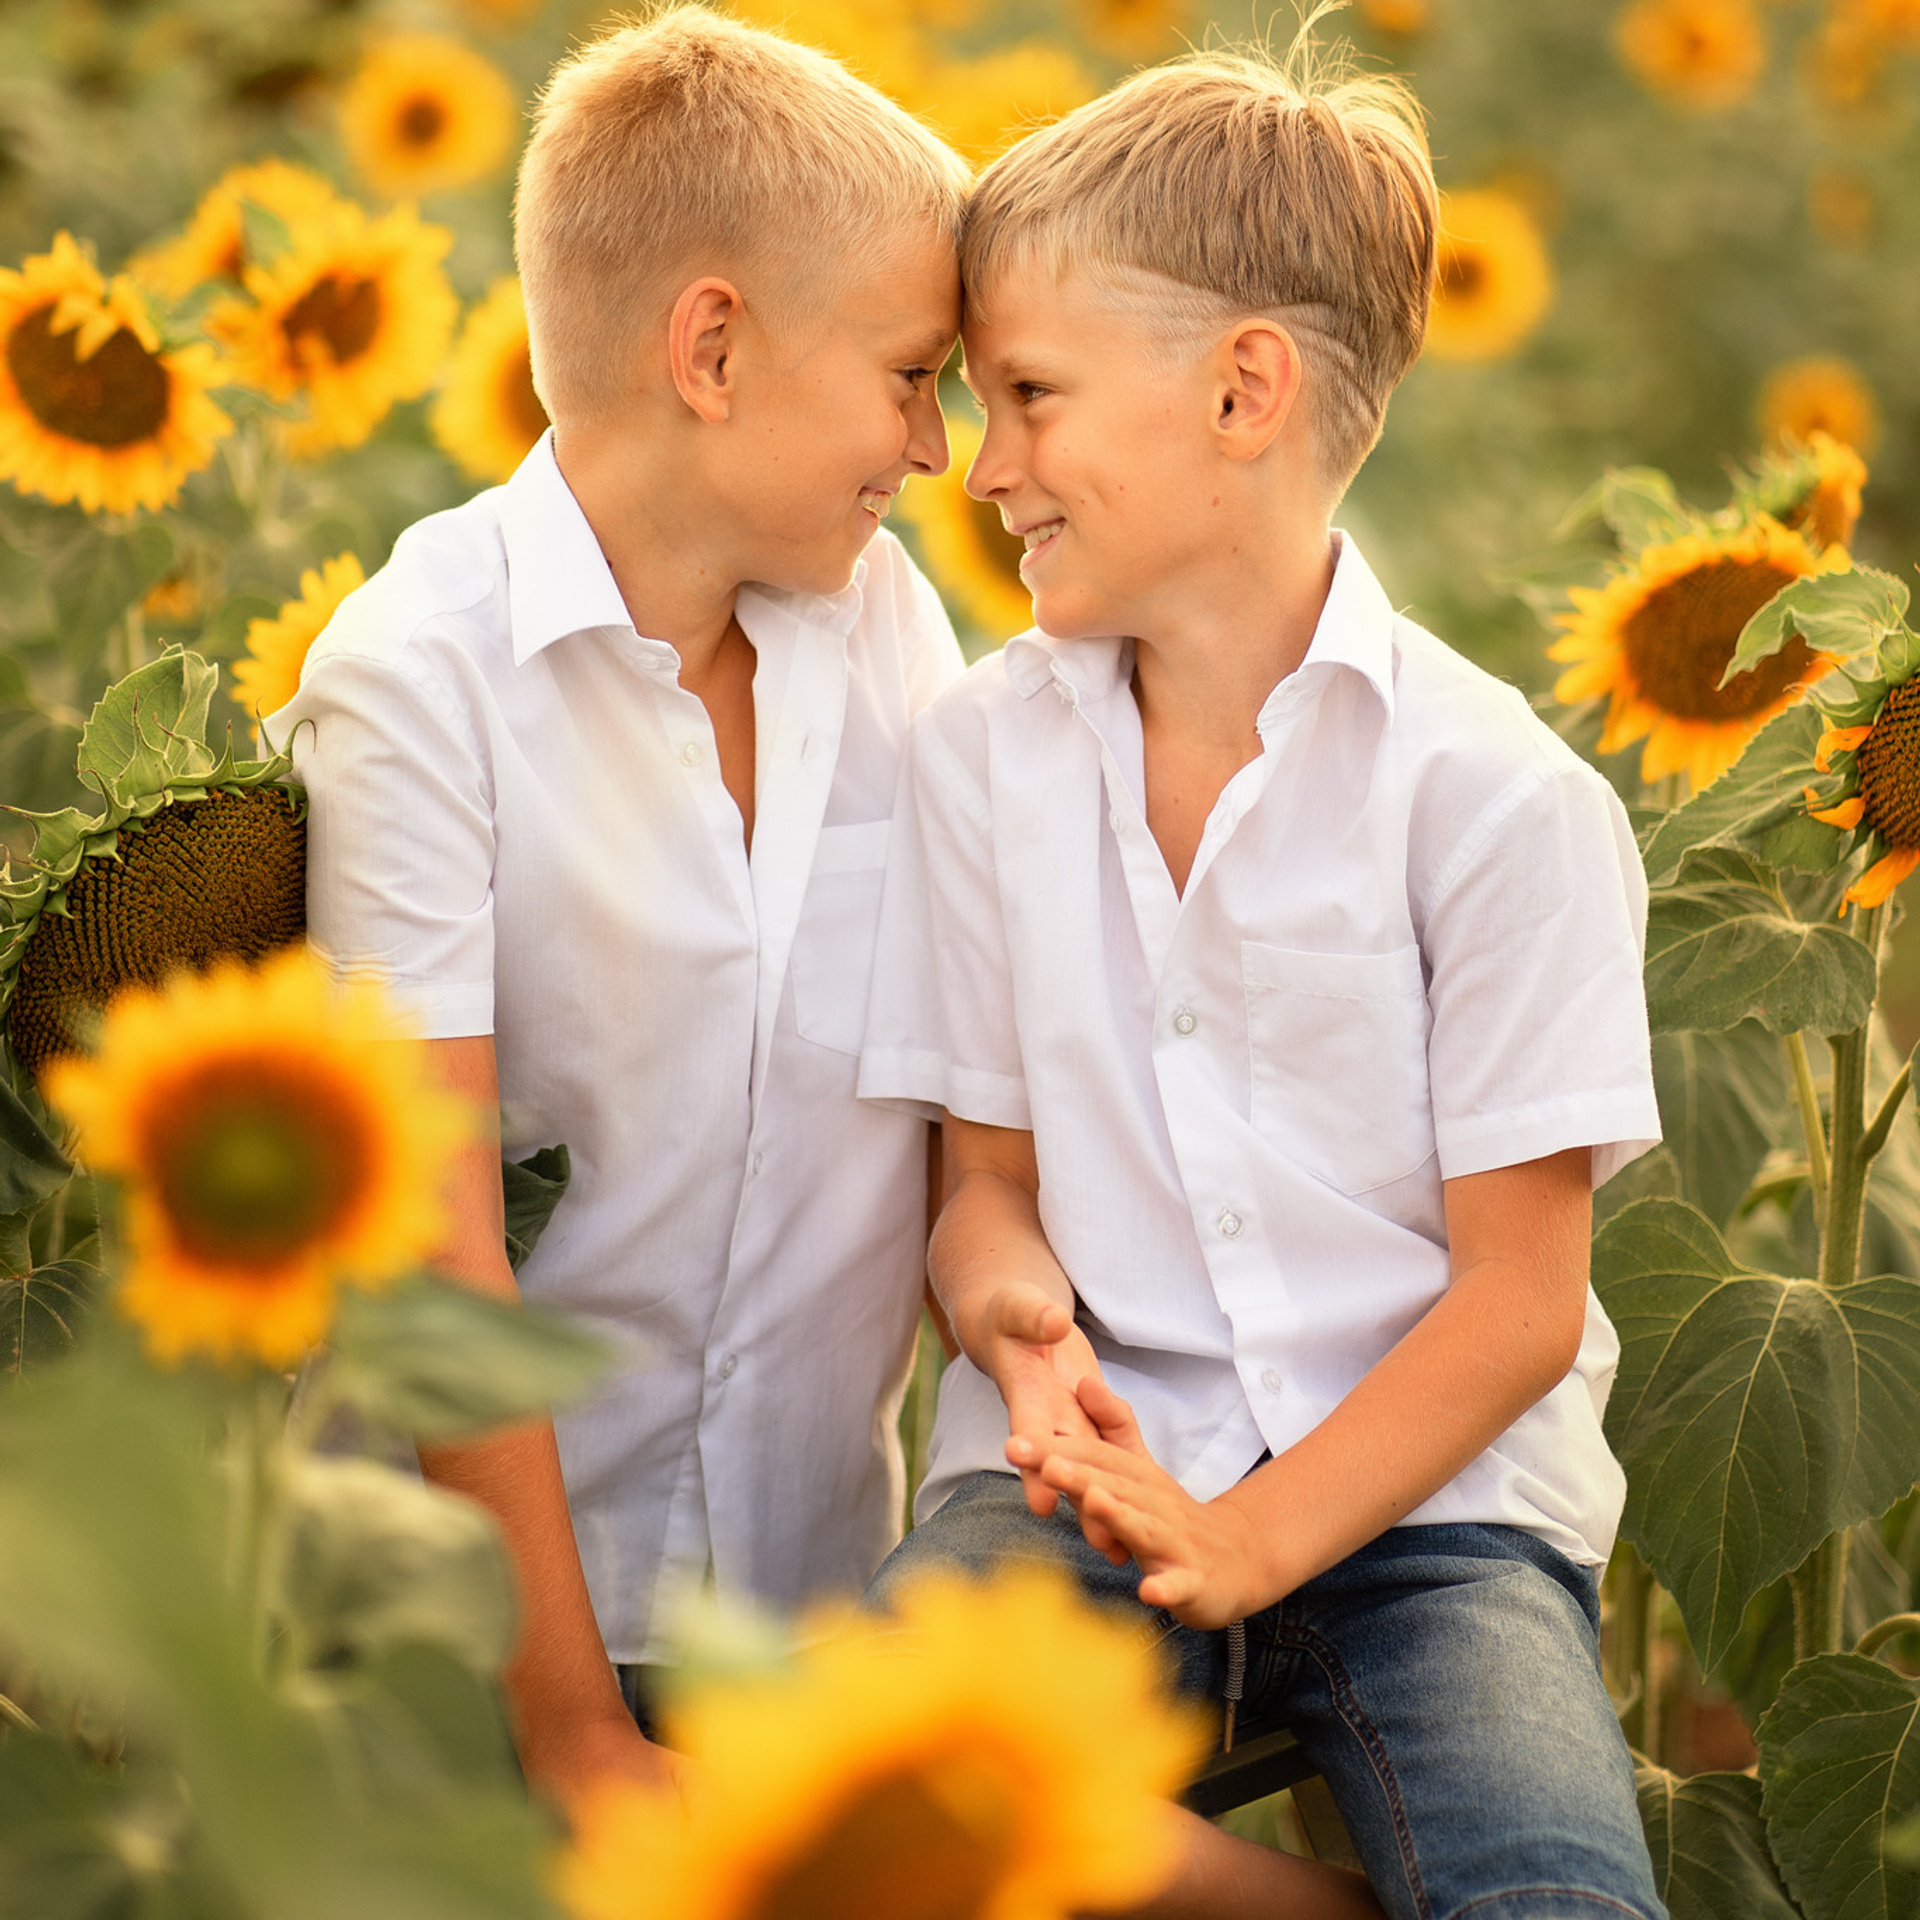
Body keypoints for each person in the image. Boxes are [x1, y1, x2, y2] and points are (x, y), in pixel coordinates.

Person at [859, 44, 1666, 1920]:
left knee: (1553, 1893)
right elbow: (984, 1187)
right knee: (881, 1812)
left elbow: (1520, 1307)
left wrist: (1241, 1544)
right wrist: (1025, 1342)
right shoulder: (984, 760)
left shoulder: (1493, 801)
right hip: (1066, 1483)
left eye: (1032, 398)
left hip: (1438, 1520)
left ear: (1244, 388)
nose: (985, 468)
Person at [275, 8, 969, 1803]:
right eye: (909, 375)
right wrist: (574, 1732)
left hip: (806, 1613)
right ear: (714, 349)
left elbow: (969, 1093)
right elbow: (427, 1243)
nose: (940, 445)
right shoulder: (422, 679)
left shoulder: (890, 631)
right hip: (465, 1651)